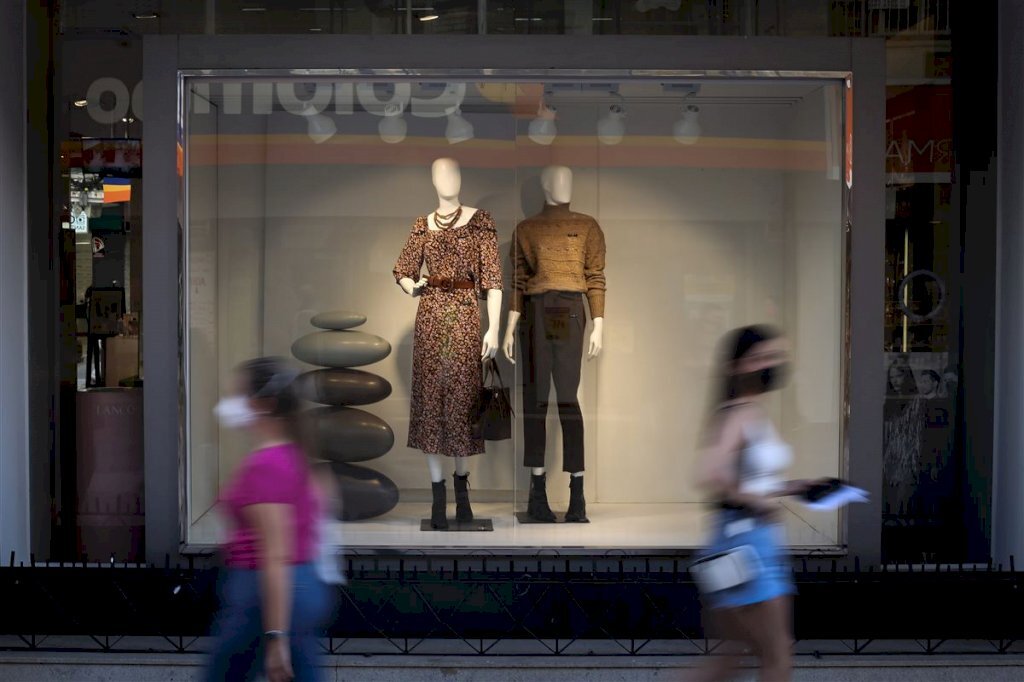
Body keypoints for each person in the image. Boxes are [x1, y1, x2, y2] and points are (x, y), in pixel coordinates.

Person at [694, 325, 820, 682]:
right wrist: (758, 503)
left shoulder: (746, 411)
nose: (770, 364)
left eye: (774, 355)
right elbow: (712, 472)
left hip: (734, 541)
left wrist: (797, 487)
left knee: (731, 659)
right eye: (759, 358)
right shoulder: (739, 414)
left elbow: (749, 479)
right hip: (748, 546)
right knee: (777, 654)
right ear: (736, 367)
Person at [205, 357, 335, 682]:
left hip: (261, 595)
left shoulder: (266, 465)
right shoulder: (297, 456)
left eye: (237, 395)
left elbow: (275, 555)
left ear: (263, 404)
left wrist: (276, 639)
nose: (229, 404)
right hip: (299, 588)